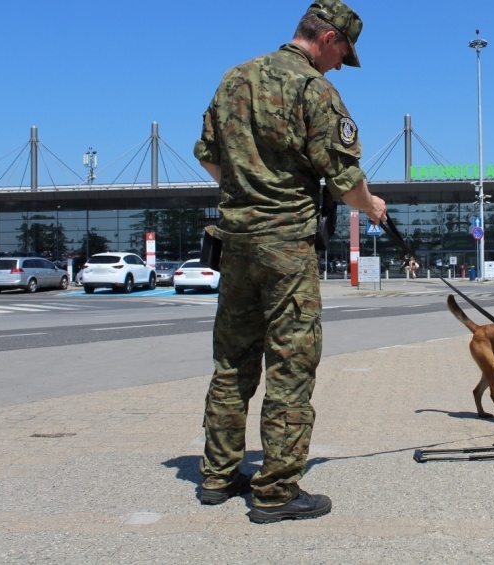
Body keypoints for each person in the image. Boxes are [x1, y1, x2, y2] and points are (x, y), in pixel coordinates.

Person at [193, 0, 386, 524]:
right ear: (327, 38)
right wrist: (371, 206)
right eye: (344, 52)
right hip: (286, 249)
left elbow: (208, 154)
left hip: (236, 242)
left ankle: (216, 476)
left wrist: (246, 190)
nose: (342, 64)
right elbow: (344, 179)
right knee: (290, 365)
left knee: (232, 361)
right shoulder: (313, 89)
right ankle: (276, 491)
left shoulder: (235, 78)